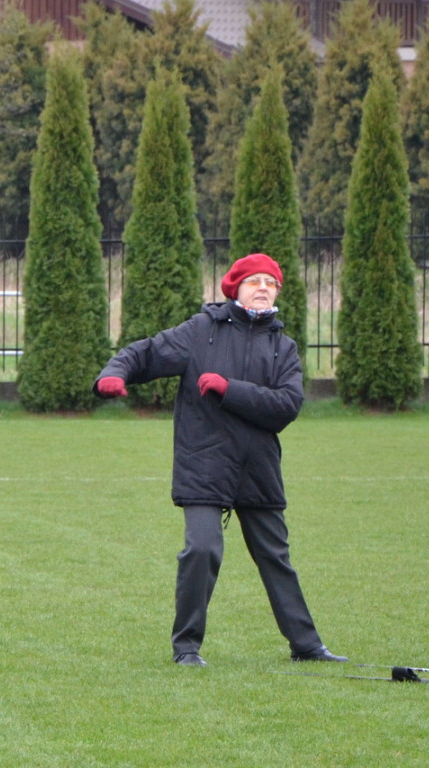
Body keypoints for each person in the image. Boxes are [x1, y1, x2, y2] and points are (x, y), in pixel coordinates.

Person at [94, 253, 345, 667]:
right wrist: (114, 372)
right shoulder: (201, 330)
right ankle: (187, 648)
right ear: (235, 288)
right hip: (204, 462)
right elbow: (146, 352)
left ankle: (307, 646)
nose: (263, 287)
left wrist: (230, 389)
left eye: (271, 282)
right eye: (254, 281)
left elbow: (287, 405)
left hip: (258, 468)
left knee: (275, 558)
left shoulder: (284, 347)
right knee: (202, 549)